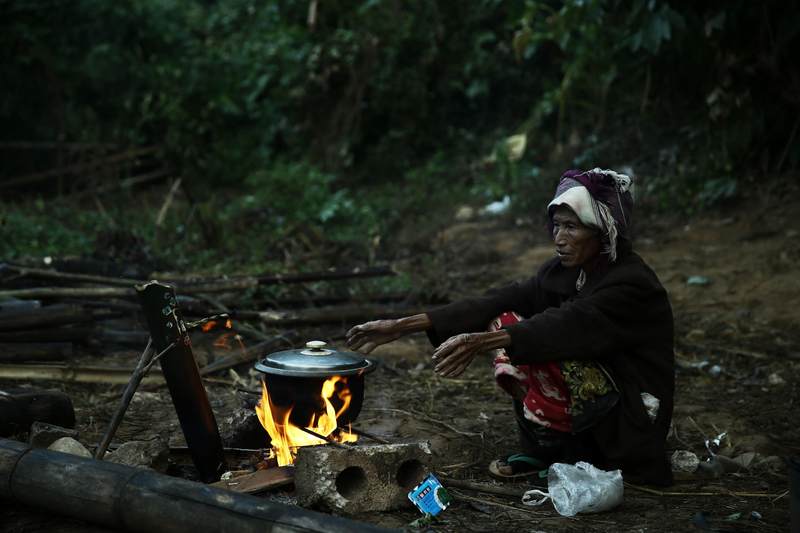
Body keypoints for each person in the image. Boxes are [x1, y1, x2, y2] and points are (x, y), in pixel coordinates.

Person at [346, 168, 675, 486]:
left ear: (602, 232)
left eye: (572, 228)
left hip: (634, 417)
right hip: (603, 392)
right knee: (505, 320)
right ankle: (548, 450)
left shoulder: (631, 284)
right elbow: (503, 298)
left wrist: (482, 342)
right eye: (557, 226)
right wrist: (404, 325)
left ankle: (582, 455)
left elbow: (567, 326)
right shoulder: (568, 270)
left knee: (538, 344)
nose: (559, 238)